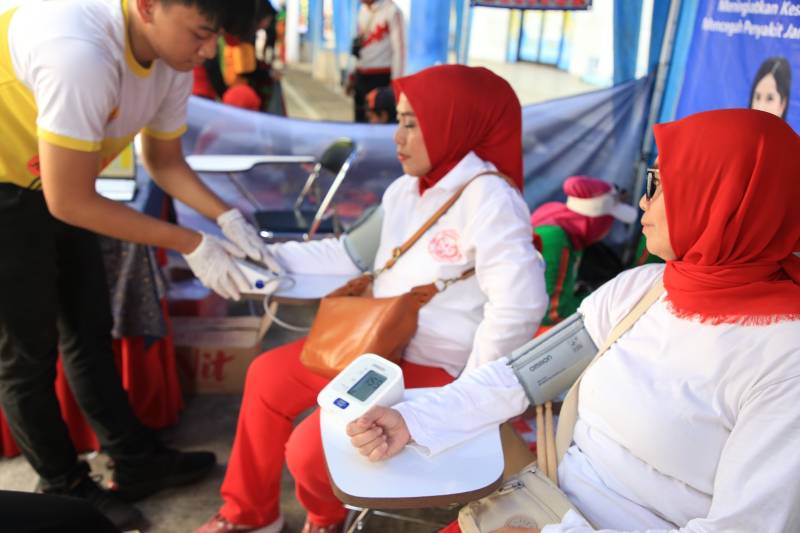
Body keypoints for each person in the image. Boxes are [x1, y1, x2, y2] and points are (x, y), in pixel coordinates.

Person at [347, 109, 800, 533]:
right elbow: (519, 377)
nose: (644, 200)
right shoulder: (642, 289)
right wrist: (415, 420)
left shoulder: (786, 356)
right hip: (542, 508)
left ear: (723, 199)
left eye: (661, 183)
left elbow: (745, 526)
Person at [195, 64, 549, 533]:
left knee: (309, 451)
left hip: (437, 365)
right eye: (398, 122)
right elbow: (348, 255)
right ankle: (250, 513)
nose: (397, 138)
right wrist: (260, 261)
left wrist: (469, 398)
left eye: (411, 124)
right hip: (379, 345)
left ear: (453, 124)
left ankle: (325, 516)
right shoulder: (406, 190)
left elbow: (519, 305)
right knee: (266, 376)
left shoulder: (490, 198)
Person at [0, 0, 279, 529]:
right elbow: (69, 200)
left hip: (55, 183)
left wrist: (226, 217)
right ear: (148, 7)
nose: (209, 51)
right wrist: (192, 242)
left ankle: (135, 460)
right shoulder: (80, 52)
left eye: (216, 37)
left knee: (90, 329)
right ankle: (64, 487)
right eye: (201, 33)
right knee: (26, 355)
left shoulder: (173, 57)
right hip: (10, 189)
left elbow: (164, 161)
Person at [347, 0, 405, 123]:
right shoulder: (362, 10)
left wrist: (395, 85)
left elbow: (400, 50)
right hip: (361, 77)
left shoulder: (392, 11)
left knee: (377, 124)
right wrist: (352, 75)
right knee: (359, 120)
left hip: (380, 78)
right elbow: (360, 48)